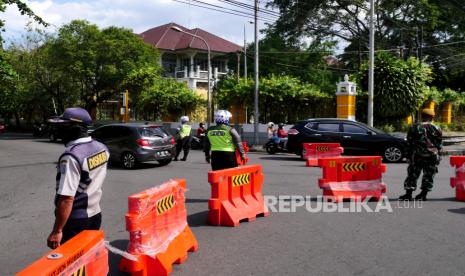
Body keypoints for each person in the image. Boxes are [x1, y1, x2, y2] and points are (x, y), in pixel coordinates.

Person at [47, 107, 109, 249]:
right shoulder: (102, 148)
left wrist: (57, 231)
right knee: (89, 256)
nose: (58, 130)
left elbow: (67, 198)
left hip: (75, 220)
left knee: (72, 263)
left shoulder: (71, 156)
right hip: (95, 214)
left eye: (62, 126)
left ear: (75, 129)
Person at [399, 108, 442, 201]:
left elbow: (409, 143)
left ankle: (408, 194)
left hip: (417, 156)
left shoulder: (415, 127)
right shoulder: (437, 128)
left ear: (421, 116)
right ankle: (423, 194)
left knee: (412, 174)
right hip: (432, 156)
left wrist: (407, 156)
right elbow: (439, 145)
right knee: (429, 175)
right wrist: (439, 156)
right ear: (432, 117)